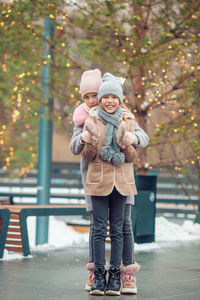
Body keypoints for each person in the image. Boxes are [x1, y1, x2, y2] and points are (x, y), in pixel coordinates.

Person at [70, 70, 149, 295]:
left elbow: (141, 138)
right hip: (95, 180)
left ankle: (124, 273)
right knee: (97, 226)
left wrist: (132, 138)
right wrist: (85, 139)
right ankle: (97, 272)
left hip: (121, 181)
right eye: (88, 96)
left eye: (97, 94)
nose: (93, 100)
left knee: (122, 226)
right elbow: (77, 148)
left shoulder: (126, 116)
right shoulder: (86, 118)